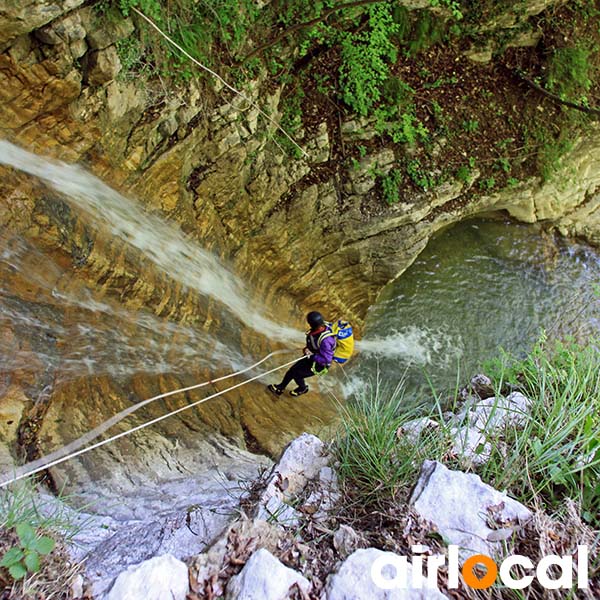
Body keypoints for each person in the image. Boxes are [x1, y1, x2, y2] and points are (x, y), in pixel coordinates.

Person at [268, 311, 336, 397]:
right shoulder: (322, 327)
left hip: (318, 364)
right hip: (310, 357)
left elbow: (327, 359)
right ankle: (280, 387)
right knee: (292, 370)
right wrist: (309, 351)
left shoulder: (325, 341)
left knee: (297, 374)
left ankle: (302, 388)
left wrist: (311, 355)